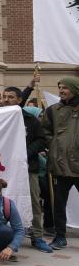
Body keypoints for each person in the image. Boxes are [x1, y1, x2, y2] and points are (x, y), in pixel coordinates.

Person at [2, 86, 51, 253]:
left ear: (19, 100)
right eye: (4, 96)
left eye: (10, 97)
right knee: (4, 201)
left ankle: (37, 237)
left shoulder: (30, 120)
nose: (6, 99)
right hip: (4, 169)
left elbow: (41, 140)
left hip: (28, 168)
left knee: (34, 202)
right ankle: (5, 236)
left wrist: (25, 154)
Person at [41, 76, 79, 250]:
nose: (61, 90)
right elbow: (45, 131)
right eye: (60, 87)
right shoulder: (52, 110)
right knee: (58, 204)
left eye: (65, 87)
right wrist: (54, 144)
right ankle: (60, 236)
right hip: (59, 165)